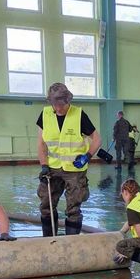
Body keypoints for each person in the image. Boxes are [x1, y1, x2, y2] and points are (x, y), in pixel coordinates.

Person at [37, 82, 101, 236]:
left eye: (61, 104)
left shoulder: (79, 115)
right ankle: (48, 240)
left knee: (73, 208)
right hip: (52, 169)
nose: (58, 108)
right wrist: (44, 165)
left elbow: (97, 140)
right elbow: (41, 144)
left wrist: (87, 156)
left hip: (74, 170)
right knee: (46, 204)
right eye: (55, 104)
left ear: (68, 101)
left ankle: (71, 243)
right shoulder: (45, 114)